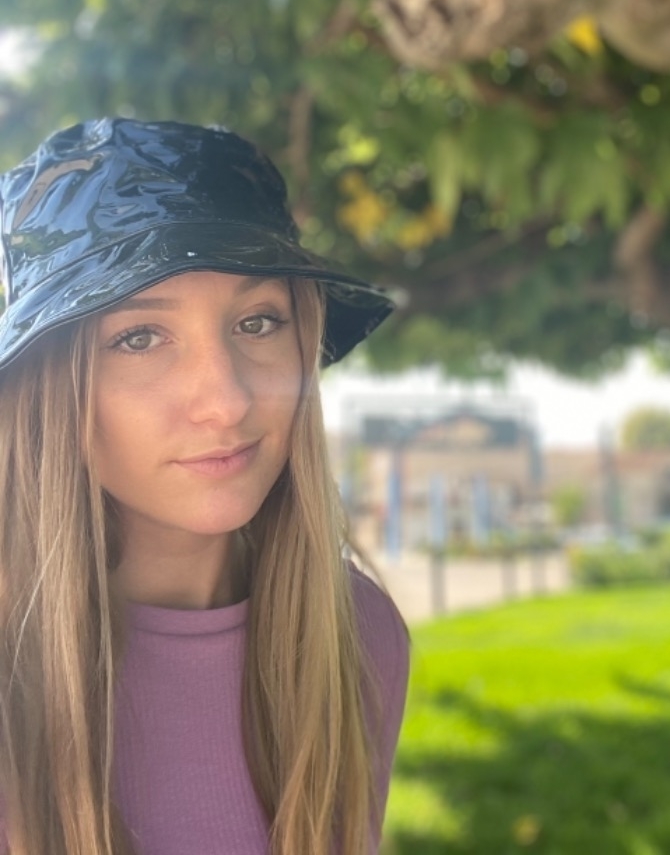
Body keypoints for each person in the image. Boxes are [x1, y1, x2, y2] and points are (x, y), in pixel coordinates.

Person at [0, 118, 409, 855]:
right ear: (50, 388)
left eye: (258, 322)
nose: (226, 401)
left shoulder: (355, 636)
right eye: (138, 337)